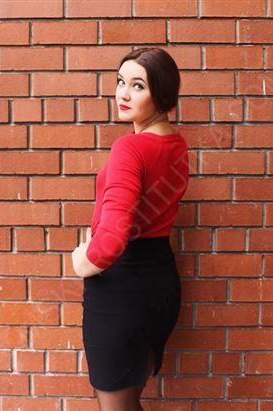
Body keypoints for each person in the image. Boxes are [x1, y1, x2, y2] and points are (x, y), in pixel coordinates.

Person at [71, 47, 189, 411]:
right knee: (128, 401)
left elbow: (110, 241)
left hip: (120, 289)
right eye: (121, 82)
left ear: (162, 94)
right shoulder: (176, 144)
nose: (123, 93)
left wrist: (82, 261)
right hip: (158, 281)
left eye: (138, 86)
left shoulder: (130, 148)